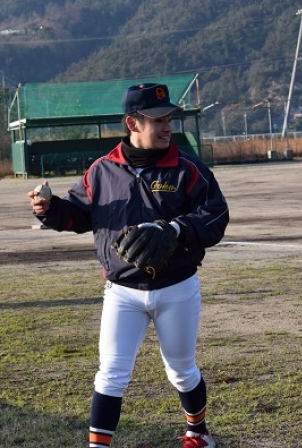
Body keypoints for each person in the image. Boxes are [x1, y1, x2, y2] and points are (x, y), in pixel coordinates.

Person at [28, 83, 229, 447]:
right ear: (132, 123)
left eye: (168, 118)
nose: (167, 126)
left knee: (181, 371)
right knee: (111, 374)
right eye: (157, 120)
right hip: (122, 292)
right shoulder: (102, 171)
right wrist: (50, 208)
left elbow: (216, 217)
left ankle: (198, 432)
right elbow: (78, 215)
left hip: (176, 288)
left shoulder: (188, 170)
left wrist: (176, 229)